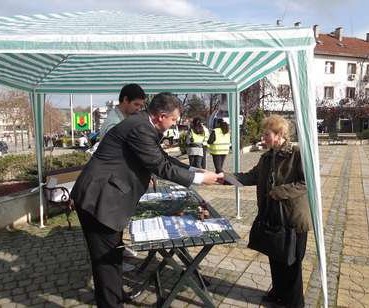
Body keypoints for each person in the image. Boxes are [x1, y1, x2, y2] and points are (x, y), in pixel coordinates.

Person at [71, 93, 223, 308]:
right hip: (98, 199)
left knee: (113, 254)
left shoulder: (143, 124)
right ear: (161, 116)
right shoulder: (140, 127)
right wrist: (199, 179)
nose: (174, 124)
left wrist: (191, 169)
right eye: (173, 120)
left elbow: (162, 158)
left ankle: (115, 295)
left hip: (107, 198)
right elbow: (160, 166)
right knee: (104, 260)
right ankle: (110, 303)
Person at [230, 115, 310, 308]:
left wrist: (279, 192)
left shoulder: (297, 154)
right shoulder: (267, 157)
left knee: (291, 263)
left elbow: (307, 182)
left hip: (292, 217)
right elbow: (252, 176)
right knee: (275, 256)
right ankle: (278, 293)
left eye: (266, 134)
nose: (262, 138)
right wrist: (225, 178)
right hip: (272, 215)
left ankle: (294, 303)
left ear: (279, 134)